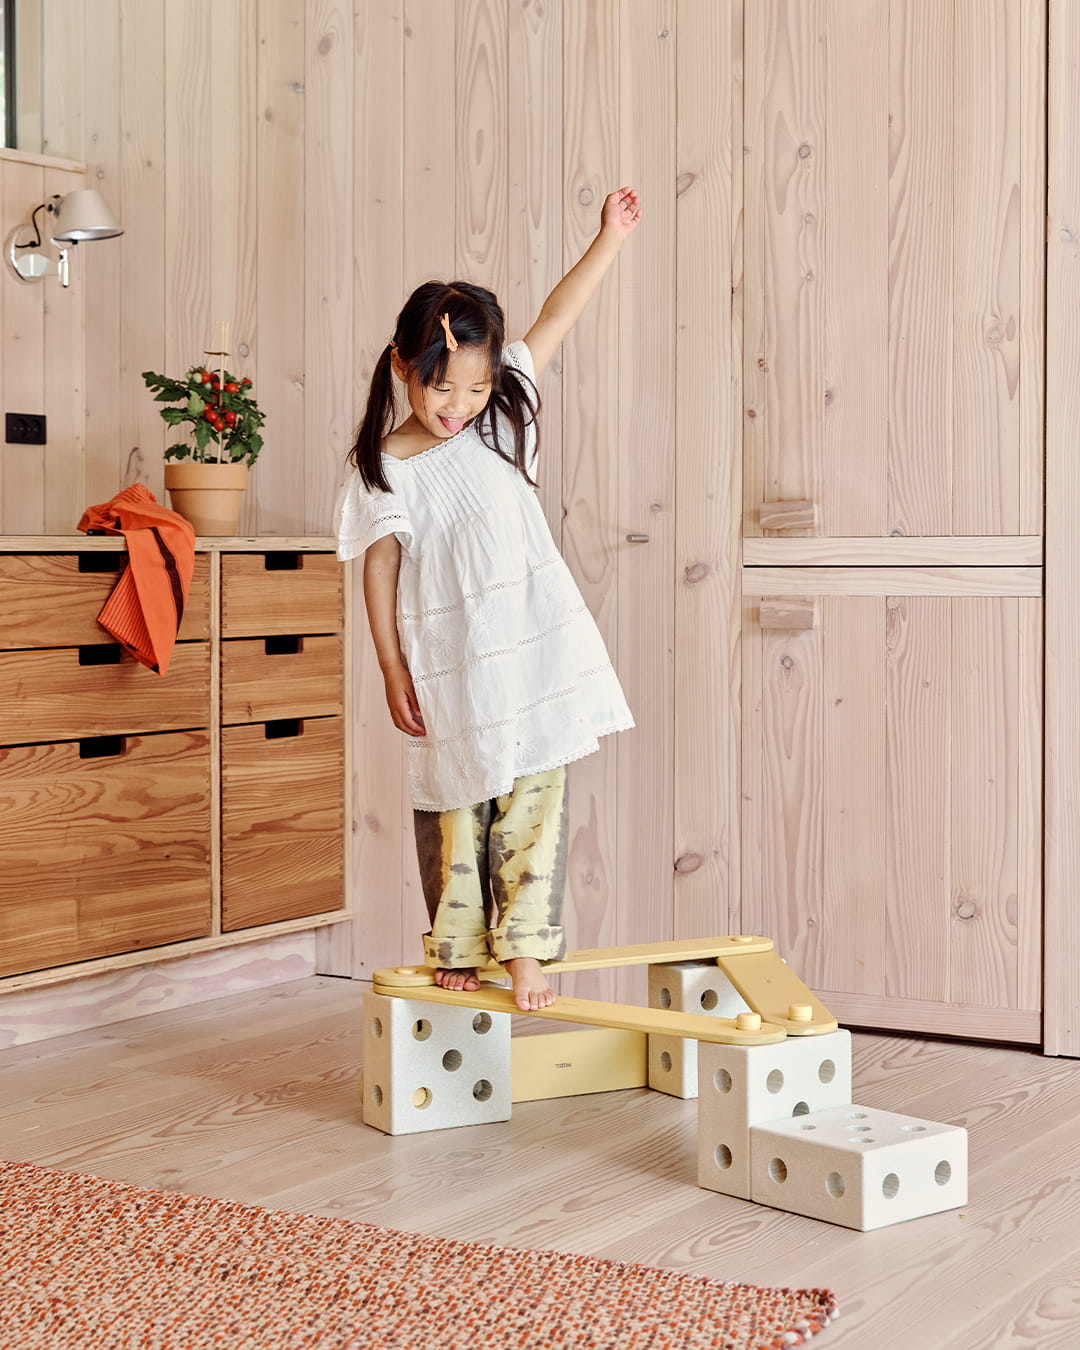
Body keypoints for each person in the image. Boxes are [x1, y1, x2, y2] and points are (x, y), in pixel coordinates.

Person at [336, 187, 642, 1011]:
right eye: (442, 390)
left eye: (473, 390)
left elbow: (557, 315)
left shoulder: (504, 418)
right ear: (402, 367)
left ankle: (527, 953)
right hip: (450, 665)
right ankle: (459, 947)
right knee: (455, 807)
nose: (458, 408)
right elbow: (378, 569)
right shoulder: (383, 467)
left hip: (533, 653)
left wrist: (608, 239)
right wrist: (391, 668)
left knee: (535, 805)